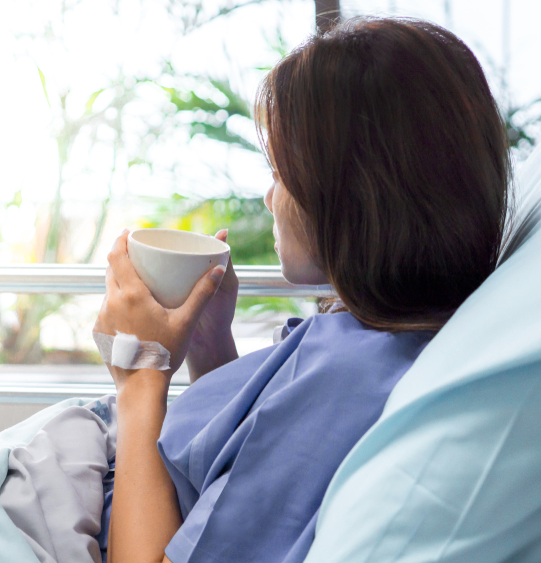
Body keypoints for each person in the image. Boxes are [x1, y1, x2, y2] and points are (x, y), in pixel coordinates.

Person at [93, 17, 510, 563]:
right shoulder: (384, 336)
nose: (269, 198)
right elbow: (243, 474)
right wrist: (209, 345)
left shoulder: (345, 378)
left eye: (281, 171)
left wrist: (140, 373)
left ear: (351, 194)